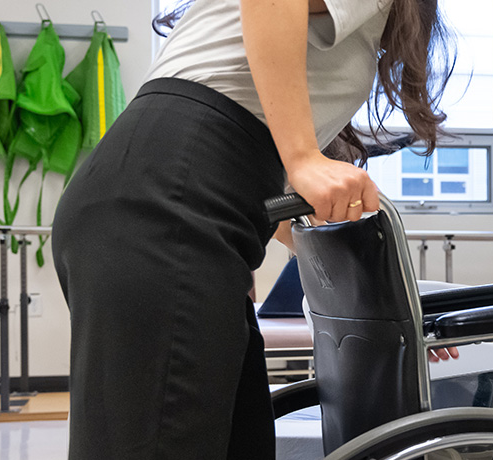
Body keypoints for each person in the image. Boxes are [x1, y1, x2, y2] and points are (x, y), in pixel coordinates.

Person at [51, 0, 451, 458]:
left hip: (169, 191)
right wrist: (302, 158)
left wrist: (395, 320)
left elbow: (288, 221)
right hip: (172, 196)